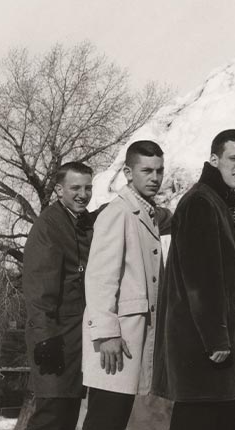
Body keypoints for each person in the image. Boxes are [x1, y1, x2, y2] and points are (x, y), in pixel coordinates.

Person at [153, 129, 235, 430]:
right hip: (201, 342)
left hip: (208, 340)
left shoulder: (219, 201)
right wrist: (216, 337)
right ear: (214, 159)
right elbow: (201, 280)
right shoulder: (201, 202)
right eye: (233, 158)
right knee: (198, 418)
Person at [81, 141, 167, 430]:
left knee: (113, 419)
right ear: (128, 173)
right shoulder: (117, 213)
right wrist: (107, 334)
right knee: (105, 420)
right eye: (146, 171)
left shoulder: (144, 212)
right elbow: (100, 278)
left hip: (129, 337)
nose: (154, 178)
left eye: (159, 171)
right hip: (115, 339)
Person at [22, 162, 95, 430]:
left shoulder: (80, 221)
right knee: (51, 415)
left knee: (66, 416)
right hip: (54, 340)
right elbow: (39, 290)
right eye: (75, 188)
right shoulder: (50, 225)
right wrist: (45, 338)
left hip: (74, 339)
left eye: (88, 188)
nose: (83, 195)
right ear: (59, 189)